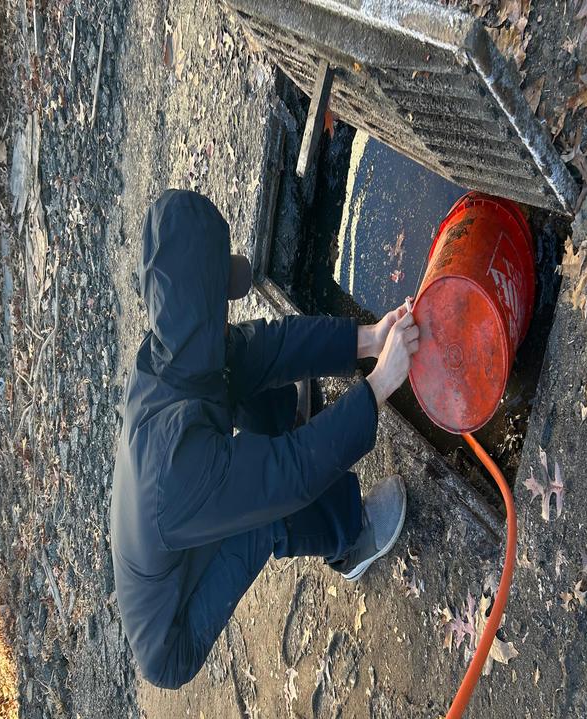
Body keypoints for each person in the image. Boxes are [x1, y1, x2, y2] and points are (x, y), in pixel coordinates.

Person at [110, 190, 420, 690]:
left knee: (243, 375)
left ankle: (287, 433)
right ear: (202, 305)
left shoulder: (172, 355)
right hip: (171, 630)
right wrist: (380, 384)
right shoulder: (177, 469)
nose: (229, 304)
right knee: (263, 513)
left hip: (170, 519)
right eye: (221, 295)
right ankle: (351, 536)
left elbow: (269, 349)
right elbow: (287, 476)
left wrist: (369, 339)